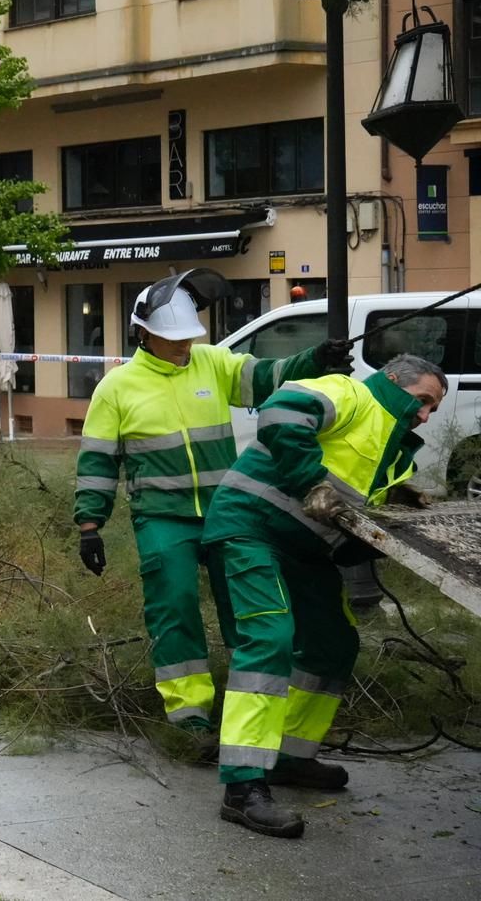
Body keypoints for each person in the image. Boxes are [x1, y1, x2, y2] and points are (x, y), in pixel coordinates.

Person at [74, 270, 352, 754]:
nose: (183, 347)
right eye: (172, 340)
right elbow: (98, 460)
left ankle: (251, 710)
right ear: (143, 333)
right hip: (162, 517)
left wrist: (315, 360)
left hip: (227, 512)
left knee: (247, 609)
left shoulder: (213, 362)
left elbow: (267, 376)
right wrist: (89, 524)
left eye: (187, 339)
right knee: (175, 607)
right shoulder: (116, 388)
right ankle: (189, 718)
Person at [202, 353, 445, 839]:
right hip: (249, 529)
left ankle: (289, 758)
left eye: (433, 410)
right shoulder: (350, 393)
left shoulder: (395, 452)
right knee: (269, 639)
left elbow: (351, 509)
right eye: (422, 401)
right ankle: (243, 785)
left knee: (333, 644)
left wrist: (398, 506)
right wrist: (309, 481)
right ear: (394, 382)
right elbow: (281, 412)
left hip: (306, 550)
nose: (424, 415)